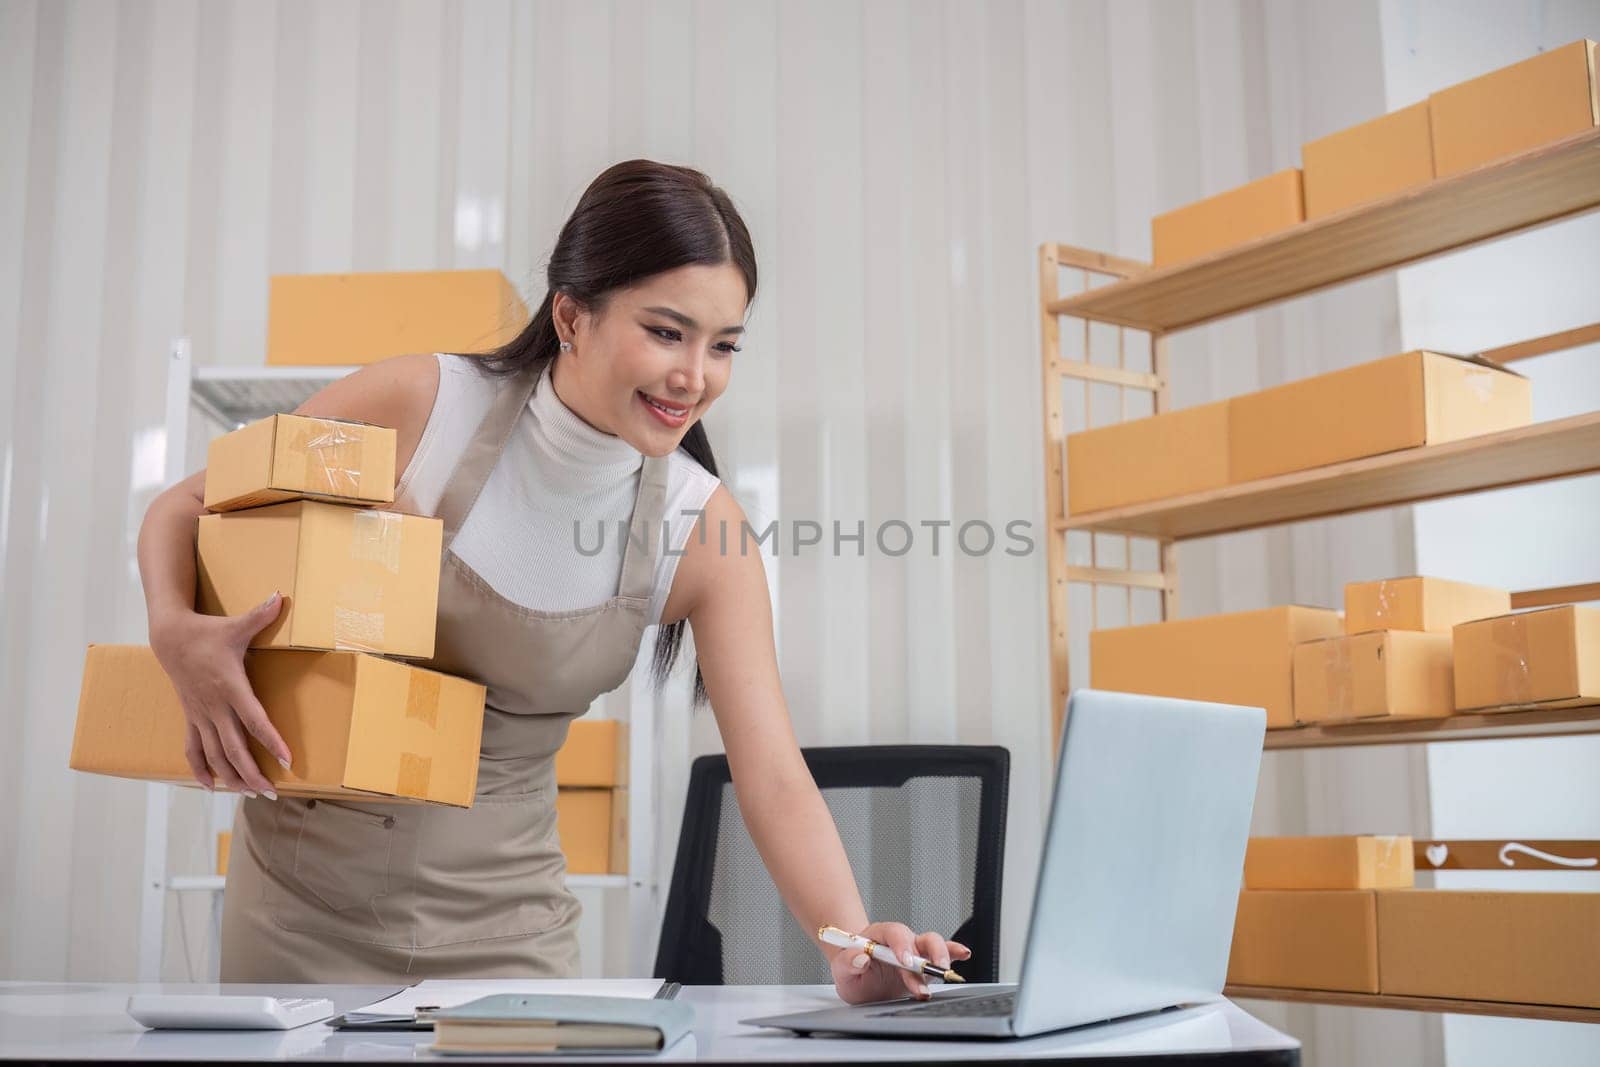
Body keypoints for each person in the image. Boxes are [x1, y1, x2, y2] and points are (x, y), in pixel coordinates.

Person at [137, 159, 968, 1001]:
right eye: (667, 331)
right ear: (572, 315)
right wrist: (176, 632)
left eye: (723, 345)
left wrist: (851, 943)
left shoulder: (705, 532)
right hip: (295, 917)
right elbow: (185, 505)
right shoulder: (426, 407)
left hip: (507, 941)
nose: (695, 375)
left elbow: (774, 775)